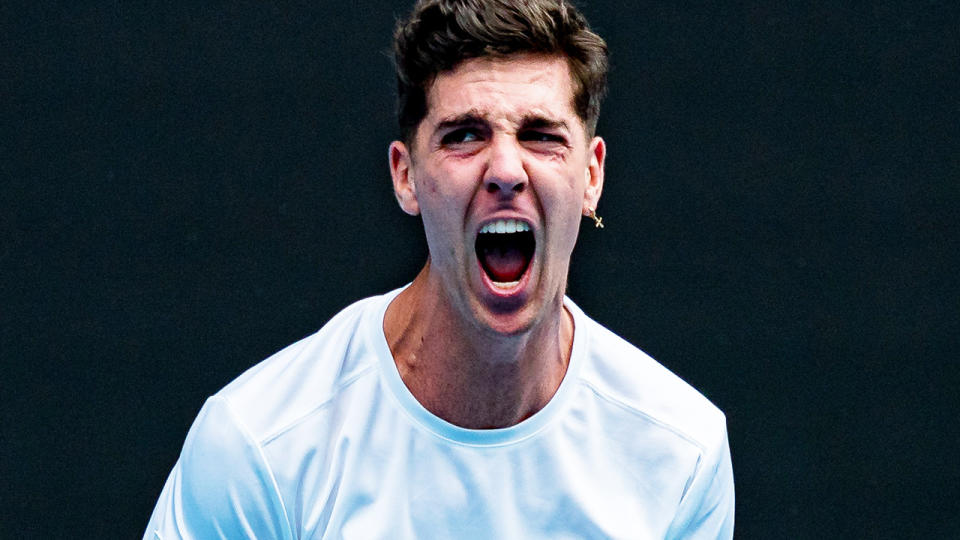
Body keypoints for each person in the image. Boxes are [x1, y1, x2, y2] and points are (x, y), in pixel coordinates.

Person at [143, 0, 735, 538]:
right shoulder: (258, 448)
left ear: (592, 175)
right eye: (465, 135)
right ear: (406, 176)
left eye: (542, 135)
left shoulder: (681, 454)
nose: (506, 169)